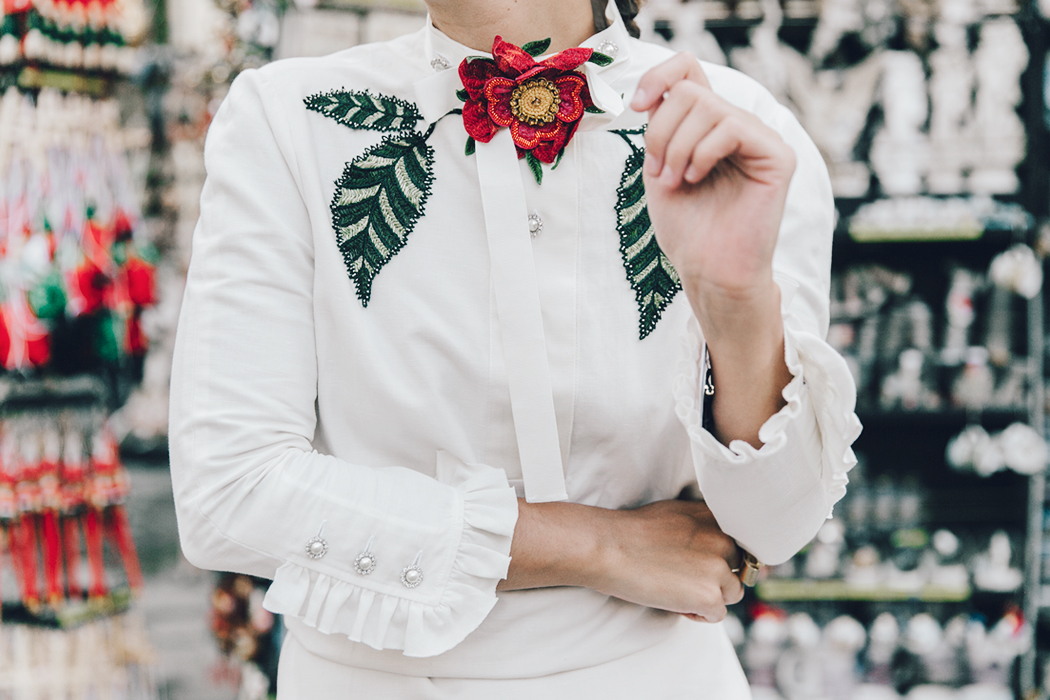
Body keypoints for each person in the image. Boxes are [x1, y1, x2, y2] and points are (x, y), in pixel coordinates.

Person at [168, 0, 862, 696]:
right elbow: (228, 493)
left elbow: (775, 526)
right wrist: (597, 546)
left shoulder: (737, 129)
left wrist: (734, 302)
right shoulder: (288, 119)